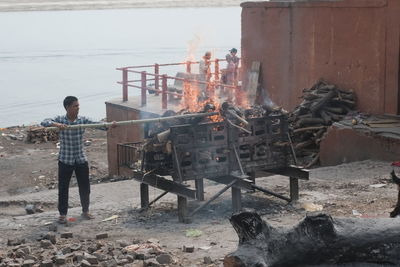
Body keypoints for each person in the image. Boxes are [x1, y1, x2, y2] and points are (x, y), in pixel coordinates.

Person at [41, 96, 116, 224]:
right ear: (68, 107)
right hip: (65, 160)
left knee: (85, 187)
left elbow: (98, 124)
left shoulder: (82, 120)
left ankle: (85, 211)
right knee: (63, 188)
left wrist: (109, 125)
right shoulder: (60, 119)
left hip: (81, 159)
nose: (78, 108)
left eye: (78, 105)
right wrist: (57, 125)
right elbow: (44, 122)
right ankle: (63, 214)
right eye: (75, 106)